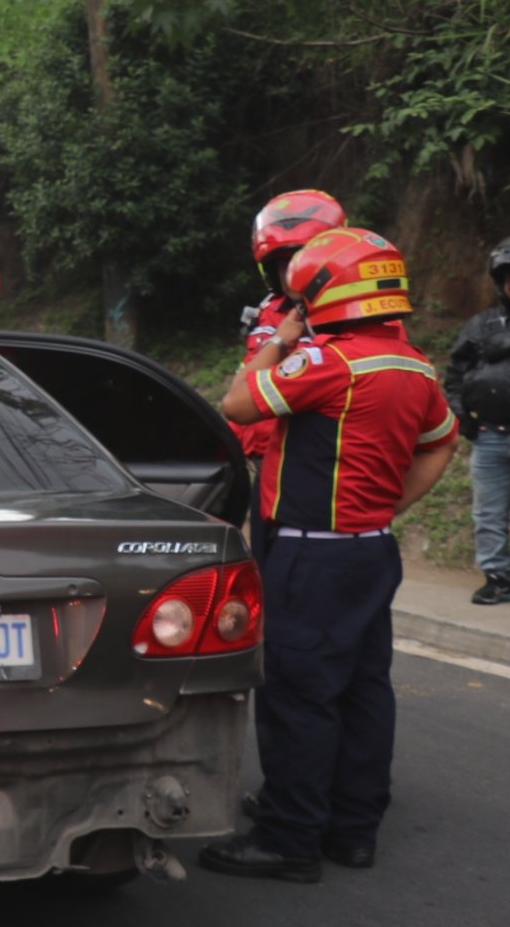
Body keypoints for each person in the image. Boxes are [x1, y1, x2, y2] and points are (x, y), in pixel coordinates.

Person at [202, 228, 457, 883]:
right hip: (371, 549)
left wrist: (279, 344)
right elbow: (439, 444)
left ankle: (288, 837)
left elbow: (235, 405)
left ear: (326, 292)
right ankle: (352, 831)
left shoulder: (325, 363)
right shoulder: (413, 366)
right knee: (363, 688)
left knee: (298, 695)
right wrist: (387, 508)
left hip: (310, 555)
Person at [235, 190, 349, 565]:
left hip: (317, 469)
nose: (293, 274)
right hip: (264, 463)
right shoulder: (269, 312)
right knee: (265, 572)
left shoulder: (349, 315)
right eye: (285, 264)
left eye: (303, 262)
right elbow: (245, 390)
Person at [443, 238, 510, 605]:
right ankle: (498, 577)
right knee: (489, 512)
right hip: (491, 437)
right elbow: (455, 374)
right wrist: (463, 418)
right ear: (501, 283)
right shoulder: (481, 325)